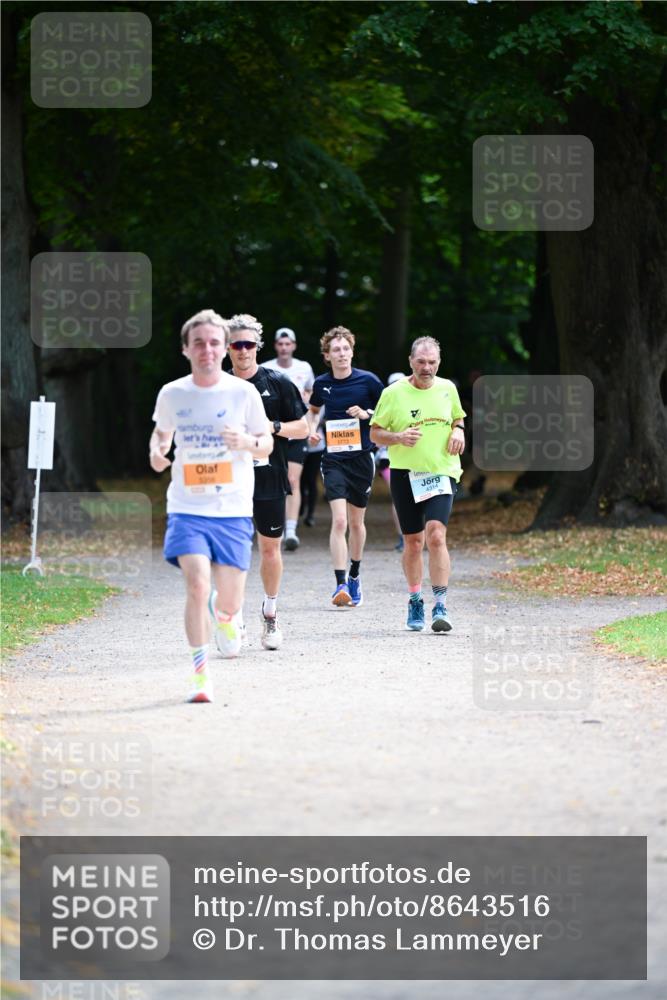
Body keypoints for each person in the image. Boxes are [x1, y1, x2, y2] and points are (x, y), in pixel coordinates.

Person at [149, 309, 273, 703]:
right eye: (198, 342)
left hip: (233, 507)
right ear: (186, 349)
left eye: (214, 342)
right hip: (187, 506)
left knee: (229, 599)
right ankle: (201, 677)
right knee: (197, 585)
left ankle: (227, 616)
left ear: (224, 348)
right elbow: (160, 436)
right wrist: (157, 453)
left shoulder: (243, 393)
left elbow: (266, 443)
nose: (207, 349)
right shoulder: (172, 393)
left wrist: (248, 444)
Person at [370, 336, 466, 633]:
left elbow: (458, 419)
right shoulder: (393, 393)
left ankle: (441, 603)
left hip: (441, 471)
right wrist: (397, 438)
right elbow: (375, 433)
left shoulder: (448, 388)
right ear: (411, 361)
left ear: (440, 362)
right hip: (405, 473)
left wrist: (459, 431)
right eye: (421, 362)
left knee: (436, 535)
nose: (427, 368)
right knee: (413, 541)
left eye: (433, 362)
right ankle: (414, 598)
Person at [226, 314, 309, 649]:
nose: (243, 350)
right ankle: (233, 616)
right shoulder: (216, 385)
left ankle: (270, 612)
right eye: (237, 345)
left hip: (267, 475)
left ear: (258, 347)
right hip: (229, 478)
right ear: (227, 348)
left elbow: (302, 428)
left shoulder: (278, 382)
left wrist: (272, 427)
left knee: (269, 549)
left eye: (248, 344)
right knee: (232, 548)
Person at [308, 326, 384, 607]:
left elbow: (388, 412)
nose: (341, 354)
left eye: (345, 349)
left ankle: (354, 575)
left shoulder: (369, 381)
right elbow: (313, 411)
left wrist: (367, 414)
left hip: (362, 458)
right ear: (327, 356)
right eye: (335, 350)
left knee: (356, 522)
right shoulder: (321, 383)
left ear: (352, 351)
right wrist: (311, 429)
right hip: (334, 459)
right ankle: (340, 584)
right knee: (339, 521)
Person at [261, 327, 315, 550]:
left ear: (293, 346)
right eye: (280, 344)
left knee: (294, 480)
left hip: (297, 431)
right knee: (275, 479)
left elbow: (310, 400)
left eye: (288, 344)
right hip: (274, 432)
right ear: (276, 346)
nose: (284, 348)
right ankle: (275, 526)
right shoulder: (267, 368)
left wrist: (310, 427)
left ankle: (291, 531)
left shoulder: (304, 368)